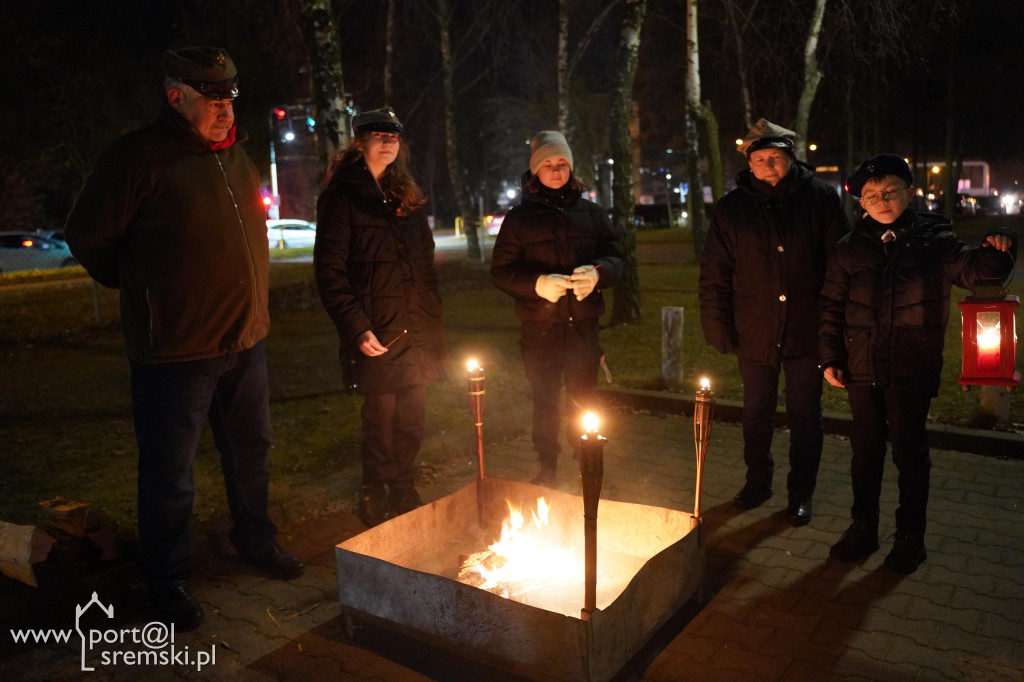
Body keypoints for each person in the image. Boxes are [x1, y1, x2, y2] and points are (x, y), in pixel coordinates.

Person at [64, 46, 303, 631]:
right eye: (212, 97)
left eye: (230, 96)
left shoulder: (235, 156)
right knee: (169, 475)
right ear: (176, 97)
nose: (225, 108)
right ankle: (166, 580)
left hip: (245, 342)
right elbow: (87, 236)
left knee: (252, 454)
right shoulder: (138, 158)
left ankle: (255, 540)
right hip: (176, 351)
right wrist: (142, 287)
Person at [820, 154, 1016, 574]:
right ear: (861, 202)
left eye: (890, 191)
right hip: (861, 364)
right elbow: (832, 307)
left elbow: (975, 270)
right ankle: (863, 527)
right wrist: (831, 356)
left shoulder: (934, 241)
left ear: (909, 192)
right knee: (865, 450)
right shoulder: (849, 249)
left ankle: (910, 534)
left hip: (911, 364)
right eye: (871, 195)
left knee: (909, 451)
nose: (882, 200)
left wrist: (996, 250)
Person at [699, 118, 848, 525]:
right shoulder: (732, 209)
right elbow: (715, 271)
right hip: (754, 331)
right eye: (759, 159)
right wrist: (717, 323)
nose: (768, 166)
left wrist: (836, 328)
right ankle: (756, 482)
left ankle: (801, 492)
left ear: (790, 157)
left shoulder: (821, 199)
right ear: (749, 163)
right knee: (756, 411)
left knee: (805, 414)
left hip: (807, 330)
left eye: (775, 158)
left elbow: (840, 265)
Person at [314, 107, 446, 528]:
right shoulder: (343, 196)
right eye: (379, 134)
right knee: (380, 417)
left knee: (414, 413)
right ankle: (375, 485)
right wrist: (356, 326)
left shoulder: (404, 197)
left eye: (394, 135)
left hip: (415, 326)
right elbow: (330, 270)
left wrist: (431, 317)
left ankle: (403, 483)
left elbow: (425, 264)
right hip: (376, 329)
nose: (388, 141)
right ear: (360, 140)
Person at [490, 131, 623, 486]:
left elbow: (616, 256)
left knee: (584, 398)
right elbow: (502, 272)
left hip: (583, 326)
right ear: (535, 171)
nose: (555, 169)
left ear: (570, 167)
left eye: (561, 163)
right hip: (540, 329)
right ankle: (546, 465)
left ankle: (587, 459)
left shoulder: (592, 213)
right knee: (545, 400)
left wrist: (598, 274)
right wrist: (537, 285)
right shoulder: (518, 219)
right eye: (547, 164)